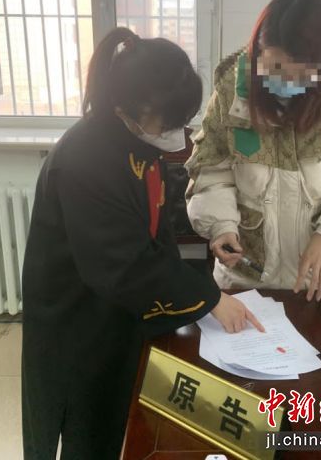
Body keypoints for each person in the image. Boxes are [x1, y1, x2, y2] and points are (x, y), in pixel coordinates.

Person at [21, 27, 263, 460]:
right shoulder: (85, 160)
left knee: (127, 415)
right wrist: (208, 298)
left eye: (182, 121)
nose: (178, 136)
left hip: (117, 310)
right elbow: (124, 265)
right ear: (125, 107)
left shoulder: (133, 141)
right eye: (168, 122)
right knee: (88, 426)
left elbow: (154, 230)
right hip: (80, 320)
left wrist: (193, 281)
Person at [186, 0, 321, 301]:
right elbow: (210, 169)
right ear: (258, 52)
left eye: (300, 75)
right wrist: (222, 225)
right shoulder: (231, 93)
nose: (284, 82)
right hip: (253, 274)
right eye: (275, 68)